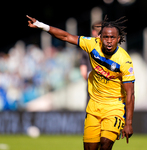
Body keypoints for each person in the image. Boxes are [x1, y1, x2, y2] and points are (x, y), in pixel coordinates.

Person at [27, 15, 135, 150]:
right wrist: (41, 25)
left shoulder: (125, 61)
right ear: (100, 37)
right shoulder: (92, 44)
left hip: (114, 107)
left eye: (112, 38)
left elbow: (130, 93)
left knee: (106, 143)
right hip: (93, 106)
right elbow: (66, 36)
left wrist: (129, 123)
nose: (108, 41)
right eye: (105, 37)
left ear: (118, 39)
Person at [80, 21, 102, 105]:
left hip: (92, 86)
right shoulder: (110, 46)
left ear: (93, 32)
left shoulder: (87, 46)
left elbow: (83, 71)